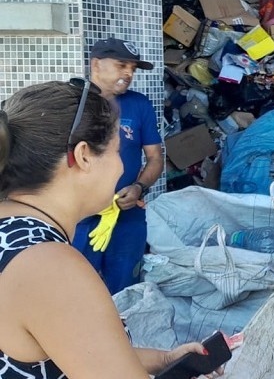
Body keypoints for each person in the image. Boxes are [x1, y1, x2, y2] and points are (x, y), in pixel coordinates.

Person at [0, 81, 216, 378]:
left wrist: (165, 359)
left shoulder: (13, 233)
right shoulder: (48, 267)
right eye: (118, 151)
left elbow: (65, 349)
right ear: (84, 155)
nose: (120, 168)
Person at [70, 38, 163, 295]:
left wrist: (139, 188)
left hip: (127, 213)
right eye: (122, 65)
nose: (128, 74)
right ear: (96, 64)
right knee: (80, 285)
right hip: (83, 215)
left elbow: (155, 157)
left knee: (124, 287)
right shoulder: (72, 104)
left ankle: (122, 333)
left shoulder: (139, 104)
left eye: (132, 68)